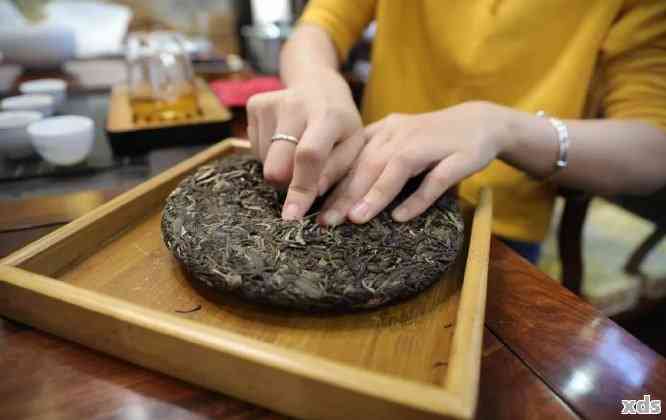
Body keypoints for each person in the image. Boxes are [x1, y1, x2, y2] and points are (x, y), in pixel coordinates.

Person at [246, 0, 666, 263]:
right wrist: (316, 79)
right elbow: (321, 23)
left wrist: (503, 126)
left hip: (500, 227)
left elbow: (653, 147)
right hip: (360, 185)